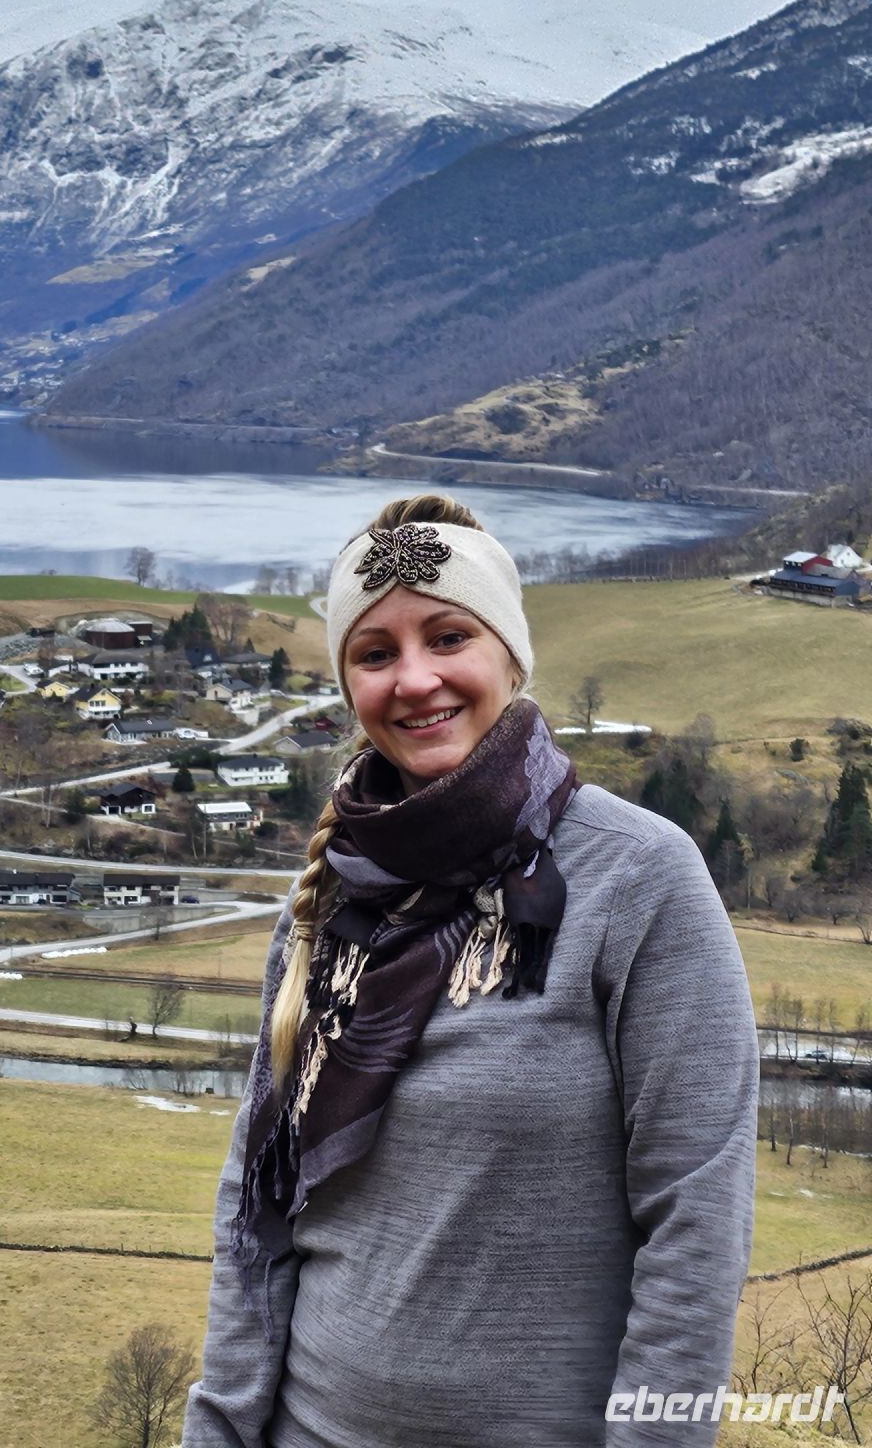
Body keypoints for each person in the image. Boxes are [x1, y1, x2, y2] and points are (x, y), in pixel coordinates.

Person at [182, 494, 759, 1448]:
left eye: (448, 636)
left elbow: (696, 1226)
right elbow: (260, 1207)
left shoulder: (638, 878)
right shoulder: (330, 900)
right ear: (349, 684)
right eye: (375, 653)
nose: (416, 680)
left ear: (510, 654)